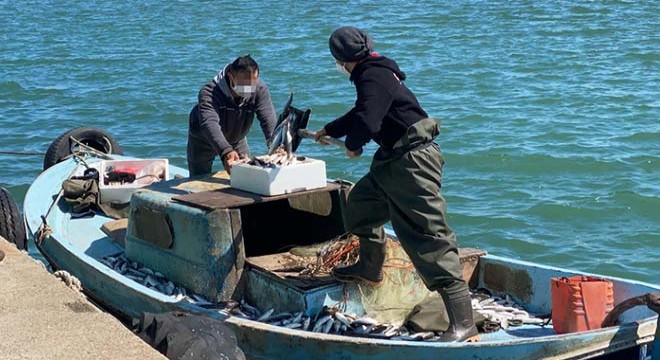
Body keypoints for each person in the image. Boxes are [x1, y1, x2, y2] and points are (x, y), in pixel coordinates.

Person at [314, 26, 479, 342]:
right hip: (393, 160)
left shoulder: (371, 77)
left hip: (413, 163)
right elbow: (364, 111)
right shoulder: (376, 72)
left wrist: (354, 144)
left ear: (341, 59)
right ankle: (369, 266)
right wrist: (330, 129)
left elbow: (368, 120)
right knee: (360, 204)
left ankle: (463, 324)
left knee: (428, 236)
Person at [187, 55, 276, 176]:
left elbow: (267, 118)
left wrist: (276, 143)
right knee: (197, 179)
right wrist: (225, 151)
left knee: (247, 175)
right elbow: (209, 123)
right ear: (231, 77)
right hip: (203, 140)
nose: (249, 89)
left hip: (237, 138)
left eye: (252, 83)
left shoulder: (260, 89)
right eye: (244, 84)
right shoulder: (209, 93)